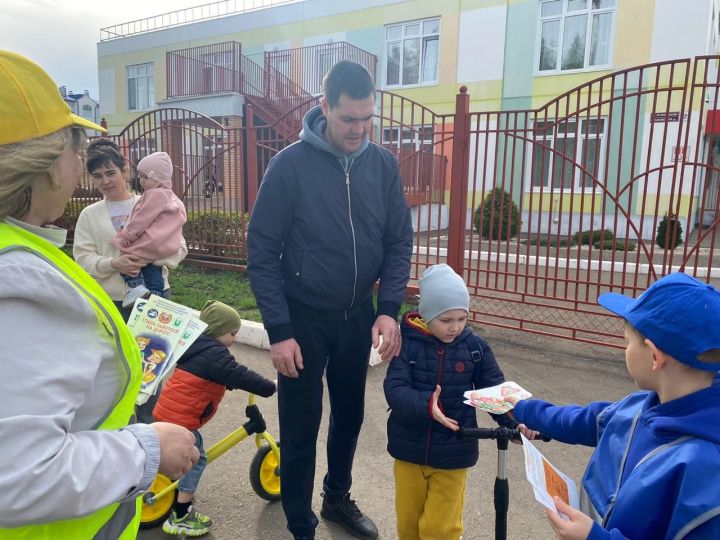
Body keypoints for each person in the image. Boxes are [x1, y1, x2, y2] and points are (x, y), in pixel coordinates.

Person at [0, 50, 199, 538]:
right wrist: (145, 448)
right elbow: (19, 473)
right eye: (76, 150)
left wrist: (157, 262)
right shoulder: (22, 283)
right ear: (50, 166)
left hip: (153, 305)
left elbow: (175, 243)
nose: (88, 170)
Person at [247, 60, 413, 540]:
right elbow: (261, 252)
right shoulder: (289, 167)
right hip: (301, 321)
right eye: (349, 120)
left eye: (367, 119)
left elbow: (399, 241)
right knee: (301, 428)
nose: (359, 130)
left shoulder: (381, 166)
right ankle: (301, 523)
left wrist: (388, 310)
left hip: (356, 316)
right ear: (325, 108)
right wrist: (279, 332)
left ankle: (336, 498)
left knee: (350, 417)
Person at [507, 272, 720, 539]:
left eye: (627, 341)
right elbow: (582, 421)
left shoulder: (706, 468)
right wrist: (524, 409)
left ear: (654, 356)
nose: (625, 349)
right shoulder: (639, 406)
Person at [383, 264, 521, 540]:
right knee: (409, 527)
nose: (455, 327)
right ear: (427, 314)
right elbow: (395, 388)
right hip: (409, 451)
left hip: (454, 452)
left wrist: (515, 422)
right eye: (446, 320)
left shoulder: (475, 348)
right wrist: (426, 405)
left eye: (461, 318)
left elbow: (492, 391)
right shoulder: (407, 342)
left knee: (439, 530)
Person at [153, 300, 277, 537]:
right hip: (181, 420)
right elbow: (239, 375)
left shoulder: (197, 347)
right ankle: (181, 514)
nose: (234, 339)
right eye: (232, 333)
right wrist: (270, 387)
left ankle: (174, 491)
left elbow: (217, 376)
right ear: (218, 330)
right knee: (196, 458)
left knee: (169, 456)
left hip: (168, 412)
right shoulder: (215, 355)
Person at [74, 139, 188, 321]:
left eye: (111, 173)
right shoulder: (89, 214)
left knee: (156, 350)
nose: (105, 181)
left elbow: (179, 248)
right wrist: (114, 264)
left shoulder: (156, 204)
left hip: (155, 298)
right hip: (112, 301)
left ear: (125, 171)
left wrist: (146, 257)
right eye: (97, 176)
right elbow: (83, 260)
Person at [109, 151, 187, 308]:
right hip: (163, 244)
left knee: (129, 255)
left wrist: (128, 235)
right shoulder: (171, 196)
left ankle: (136, 286)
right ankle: (155, 293)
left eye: (146, 177)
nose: (141, 181)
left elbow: (142, 218)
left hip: (150, 240)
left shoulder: (154, 195)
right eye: (140, 176)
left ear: (159, 178)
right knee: (153, 268)